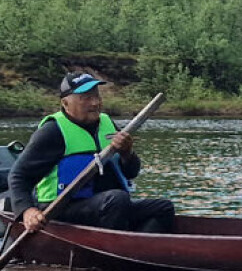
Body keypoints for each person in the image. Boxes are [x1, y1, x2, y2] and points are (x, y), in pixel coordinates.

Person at [7, 72, 174, 235]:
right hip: (62, 209)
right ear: (65, 103)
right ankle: (113, 250)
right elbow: (18, 176)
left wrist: (126, 152)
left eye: (97, 97)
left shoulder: (107, 124)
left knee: (163, 207)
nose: (95, 103)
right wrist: (27, 210)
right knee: (117, 199)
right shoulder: (52, 131)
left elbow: (131, 172)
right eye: (86, 98)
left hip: (108, 206)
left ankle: (139, 248)